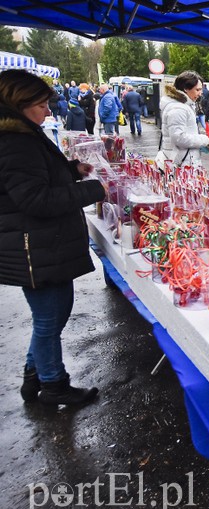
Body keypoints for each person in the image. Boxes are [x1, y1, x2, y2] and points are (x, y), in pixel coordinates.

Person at [0, 69, 106, 406]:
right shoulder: (15, 142)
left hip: (38, 245)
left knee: (50, 316)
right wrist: (96, 189)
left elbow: (35, 182)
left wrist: (72, 172)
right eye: (42, 104)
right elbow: (35, 200)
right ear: (20, 103)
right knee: (50, 317)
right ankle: (53, 384)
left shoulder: (22, 135)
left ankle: (35, 378)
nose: (48, 111)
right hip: (35, 248)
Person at [160, 71, 209, 168]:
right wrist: (204, 140)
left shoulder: (181, 105)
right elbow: (179, 138)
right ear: (186, 89)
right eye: (197, 90)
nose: (200, 93)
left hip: (182, 161)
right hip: (181, 164)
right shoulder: (178, 108)